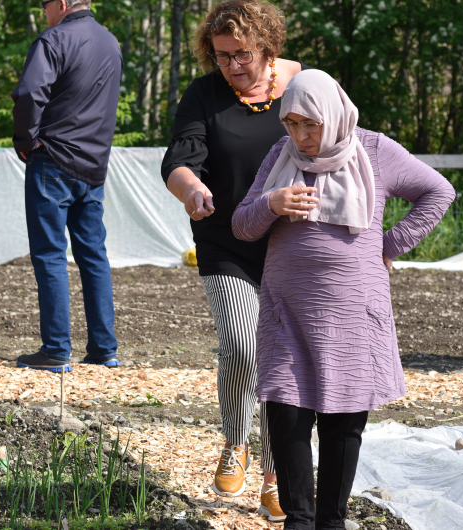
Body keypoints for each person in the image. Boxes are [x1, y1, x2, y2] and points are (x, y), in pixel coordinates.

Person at [231, 69, 454, 530]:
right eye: (290, 125)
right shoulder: (280, 156)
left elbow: (438, 192)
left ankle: (331, 521)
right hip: (286, 309)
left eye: (309, 124)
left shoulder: (374, 150)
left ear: (331, 115)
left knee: (343, 419)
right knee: (287, 412)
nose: (301, 136)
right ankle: (298, 520)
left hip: (354, 310)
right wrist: (271, 204)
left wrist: (388, 245)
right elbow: (241, 226)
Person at [160, 0, 306, 518]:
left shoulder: (300, 85)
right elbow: (177, 160)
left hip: (288, 244)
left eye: (241, 54)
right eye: (221, 56)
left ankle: (273, 472)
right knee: (244, 345)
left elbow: (340, 143)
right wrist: (192, 188)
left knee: (283, 361)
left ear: (267, 47)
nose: (231, 67)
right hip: (224, 239)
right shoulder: (204, 94)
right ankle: (234, 439)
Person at [11, 0, 123, 373]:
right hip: (93, 166)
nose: (44, 14)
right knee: (94, 255)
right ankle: (104, 348)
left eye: (44, 6)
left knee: (50, 254)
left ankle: (57, 348)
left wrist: (26, 143)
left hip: (53, 160)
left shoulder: (54, 40)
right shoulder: (111, 42)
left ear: (60, 4)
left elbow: (29, 95)